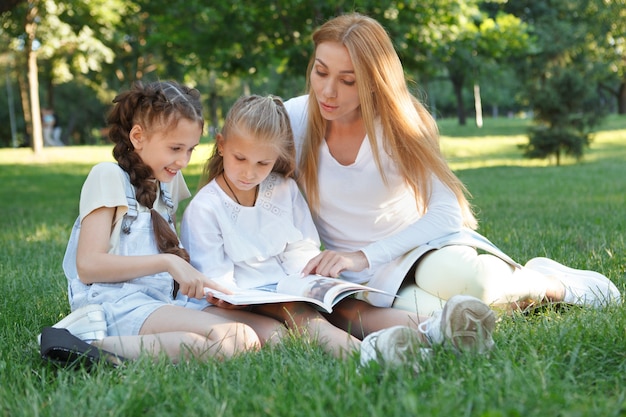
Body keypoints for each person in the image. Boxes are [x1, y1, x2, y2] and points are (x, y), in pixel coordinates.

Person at [283, 13, 621, 317]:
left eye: (348, 80)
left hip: (421, 251)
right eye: (320, 71)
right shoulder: (293, 120)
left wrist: (364, 255)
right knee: (448, 315)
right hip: (359, 278)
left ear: (373, 80)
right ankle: (519, 296)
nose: (327, 91)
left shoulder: (402, 124)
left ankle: (552, 285)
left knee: (477, 286)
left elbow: (447, 213)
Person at [179, 94, 496, 367]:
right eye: (240, 158)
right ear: (221, 146)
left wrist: (310, 281)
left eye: (263, 163)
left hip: (289, 285)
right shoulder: (206, 208)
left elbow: (302, 246)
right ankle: (372, 355)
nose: (249, 172)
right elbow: (216, 283)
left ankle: (442, 329)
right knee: (304, 317)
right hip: (237, 299)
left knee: (351, 308)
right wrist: (275, 295)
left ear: (277, 157)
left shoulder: (282, 188)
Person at [41, 81, 285, 364]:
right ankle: (83, 344)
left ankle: (143, 346)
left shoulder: (168, 181)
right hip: (118, 303)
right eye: (175, 148)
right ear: (138, 136)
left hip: (161, 300)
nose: (183, 160)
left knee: (274, 333)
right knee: (234, 341)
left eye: (191, 149)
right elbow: (88, 266)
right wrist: (168, 263)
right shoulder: (108, 176)